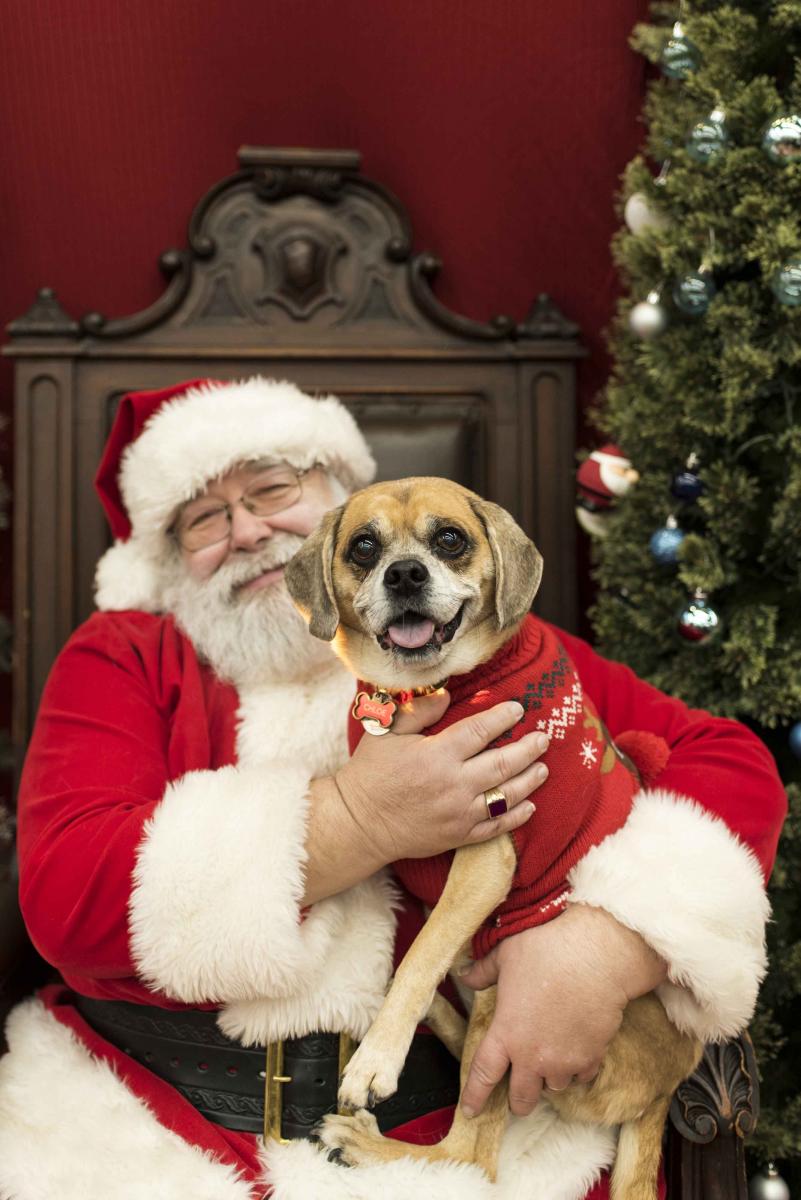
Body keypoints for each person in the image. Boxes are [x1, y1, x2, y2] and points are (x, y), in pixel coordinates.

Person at [0, 376, 786, 1200]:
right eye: (203, 519)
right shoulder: (124, 653)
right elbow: (66, 895)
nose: (246, 531)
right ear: (165, 559)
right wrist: (357, 819)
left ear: (341, 501)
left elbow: (726, 761)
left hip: (462, 1119)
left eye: (272, 488)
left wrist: (607, 943)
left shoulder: (498, 655)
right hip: (158, 1119)